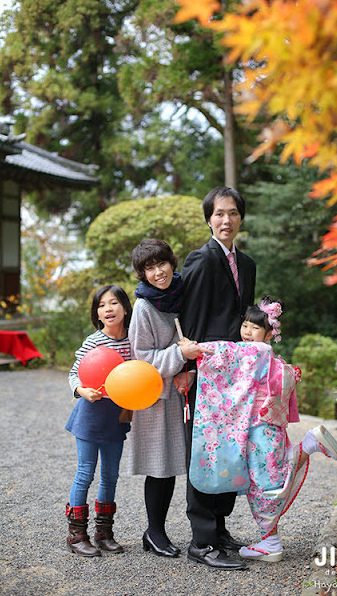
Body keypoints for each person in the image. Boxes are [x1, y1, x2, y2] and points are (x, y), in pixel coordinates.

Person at [189, 296, 337, 563]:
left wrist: (196, 348)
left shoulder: (259, 351)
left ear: (270, 333)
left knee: (264, 483)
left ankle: (271, 541)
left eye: (255, 328)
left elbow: (228, 351)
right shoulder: (266, 354)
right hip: (269, 426)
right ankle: (269, 539)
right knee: (269, 477)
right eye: (246, 326)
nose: (248, 333)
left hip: (261, 428)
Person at [178, 186, 256, 570]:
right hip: (206, 374)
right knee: (203, 450)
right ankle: (202, 541)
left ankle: (221, 527)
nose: (226, 220)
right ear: (209, 218)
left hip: (237, 376)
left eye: (233, 214)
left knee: (231, 449)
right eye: (219, 214)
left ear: (240, 218)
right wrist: (187, 371)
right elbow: (191, 321)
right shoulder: (201, 260)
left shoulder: (248, 264)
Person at [127, 239, 211, 559]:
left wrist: (188, 366)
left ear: (172, 263)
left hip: (185, 390)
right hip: (156, 395)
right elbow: (143, 358)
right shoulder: (144, 306)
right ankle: (154, 531)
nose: (158, 272)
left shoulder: (183, 291)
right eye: (149, 268)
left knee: (175, 463)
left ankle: (158, 531)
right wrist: (178, 354)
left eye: (161, 264)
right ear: (142, 274)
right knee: (159, 465)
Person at [65, 285, 133, 557]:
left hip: (117, 418)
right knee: (85, 473)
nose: (108, 309)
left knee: (111, 477)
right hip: (90, 416)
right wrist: (81, 390)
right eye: (102, 305)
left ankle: (104, 533)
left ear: (125, 308)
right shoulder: (94, 342)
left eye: (114, 303)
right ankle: (76, 535)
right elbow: (74, 373)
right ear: (97, 313)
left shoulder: (132, 341)